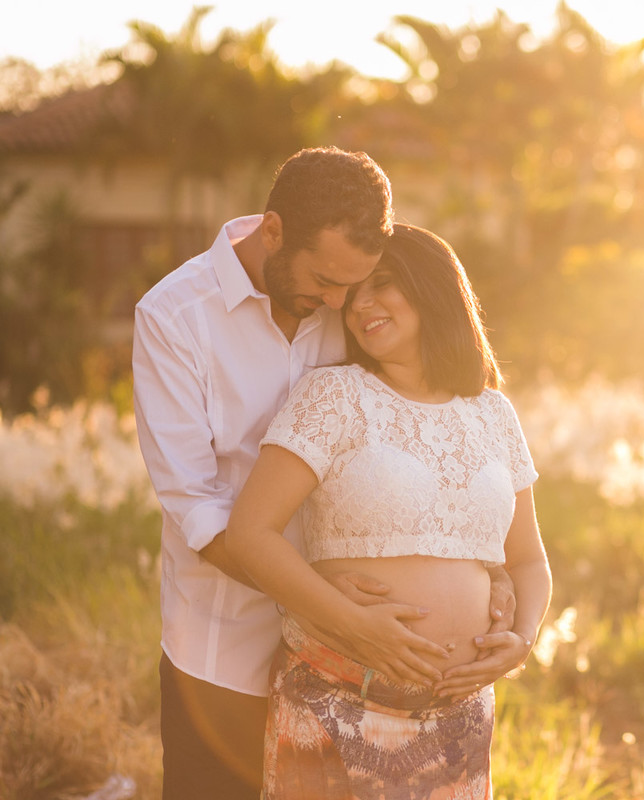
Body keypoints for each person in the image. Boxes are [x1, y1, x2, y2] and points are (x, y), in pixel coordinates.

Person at [133, 147, 516, 800]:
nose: (340, 302)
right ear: (274, 230)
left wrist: (488, 571)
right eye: (326, 280)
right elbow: (194, 501)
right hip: (221, 641)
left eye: (354, 284)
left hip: (348, 665)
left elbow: (408, 427)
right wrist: (326, 604)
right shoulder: (174, 318)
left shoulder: (343, 296)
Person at [225, 222, 551, 798]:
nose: (361, 306)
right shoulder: (333, 396)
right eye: (353, 295)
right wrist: (353, 624)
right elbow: (252, 533)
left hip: (459, 721)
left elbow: (528, 561)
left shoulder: (494, 413)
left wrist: (521, 641)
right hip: (339, 700)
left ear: (432, 289)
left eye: (383, 284)